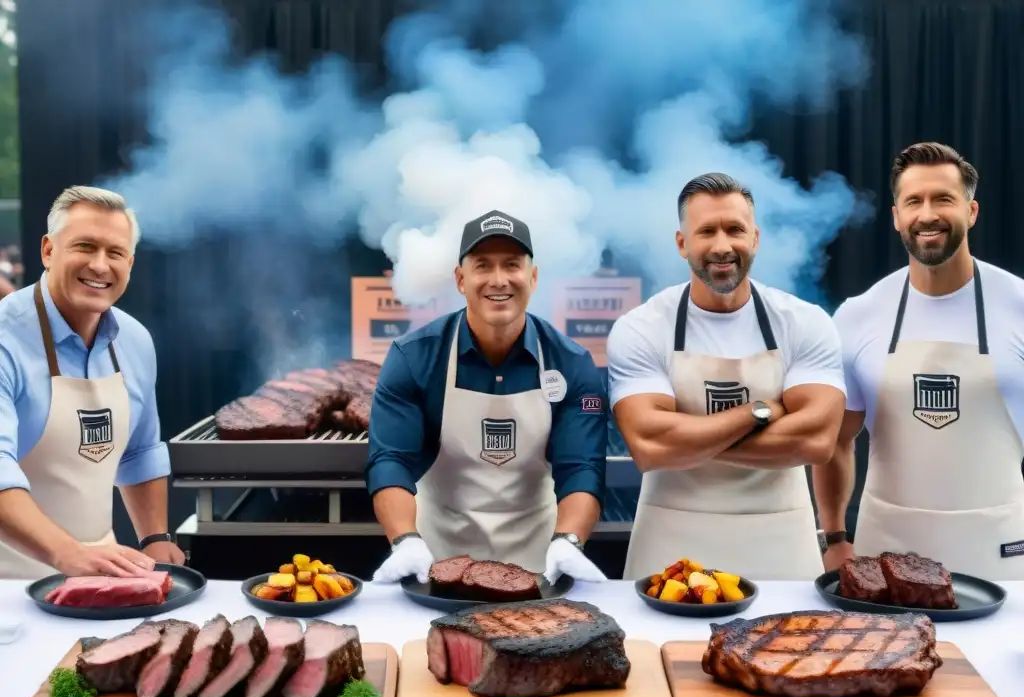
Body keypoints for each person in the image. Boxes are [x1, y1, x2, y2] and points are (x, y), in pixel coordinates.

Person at [607, 173, 848, 581]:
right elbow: (649, 445)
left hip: (781, 538)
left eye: (735, 229)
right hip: (671, 542)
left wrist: (685, 441)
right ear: (683, 243)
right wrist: (759, 411)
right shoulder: (642, 327)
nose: (722, 246)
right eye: (706, 231)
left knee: (790, 646)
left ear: (754, 237)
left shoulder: (805, 322)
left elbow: (815, 441)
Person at [812, 142, 1024, 578]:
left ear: (972, 211)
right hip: (885, 553)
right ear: (896, 217)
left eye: (944, 199)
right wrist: (833, 537)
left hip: (998, 550)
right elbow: (835, 439)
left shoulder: (1018, 304)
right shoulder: (859, 314)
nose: (927, 214)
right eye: (914, 201)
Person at [366, 209, 608, 585]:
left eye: (512, 264)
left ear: (533, 276)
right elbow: (391, 460)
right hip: (437, 563)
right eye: (483, 266)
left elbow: (581, 468)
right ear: (461, 279)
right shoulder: (414, 357)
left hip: (540, 566)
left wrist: (569, 541)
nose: (499, 280)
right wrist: (405, 540)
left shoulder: (572, 363)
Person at [0, 186, 185, 579]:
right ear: (49, 251)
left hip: (98, 576)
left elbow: (141, 451)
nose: (100, 266)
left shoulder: (134, 340)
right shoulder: (6, 338)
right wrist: (67, 554)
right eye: (85, 246)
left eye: (115, 253)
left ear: (130, 263)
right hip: (8, 588)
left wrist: (154, 538)